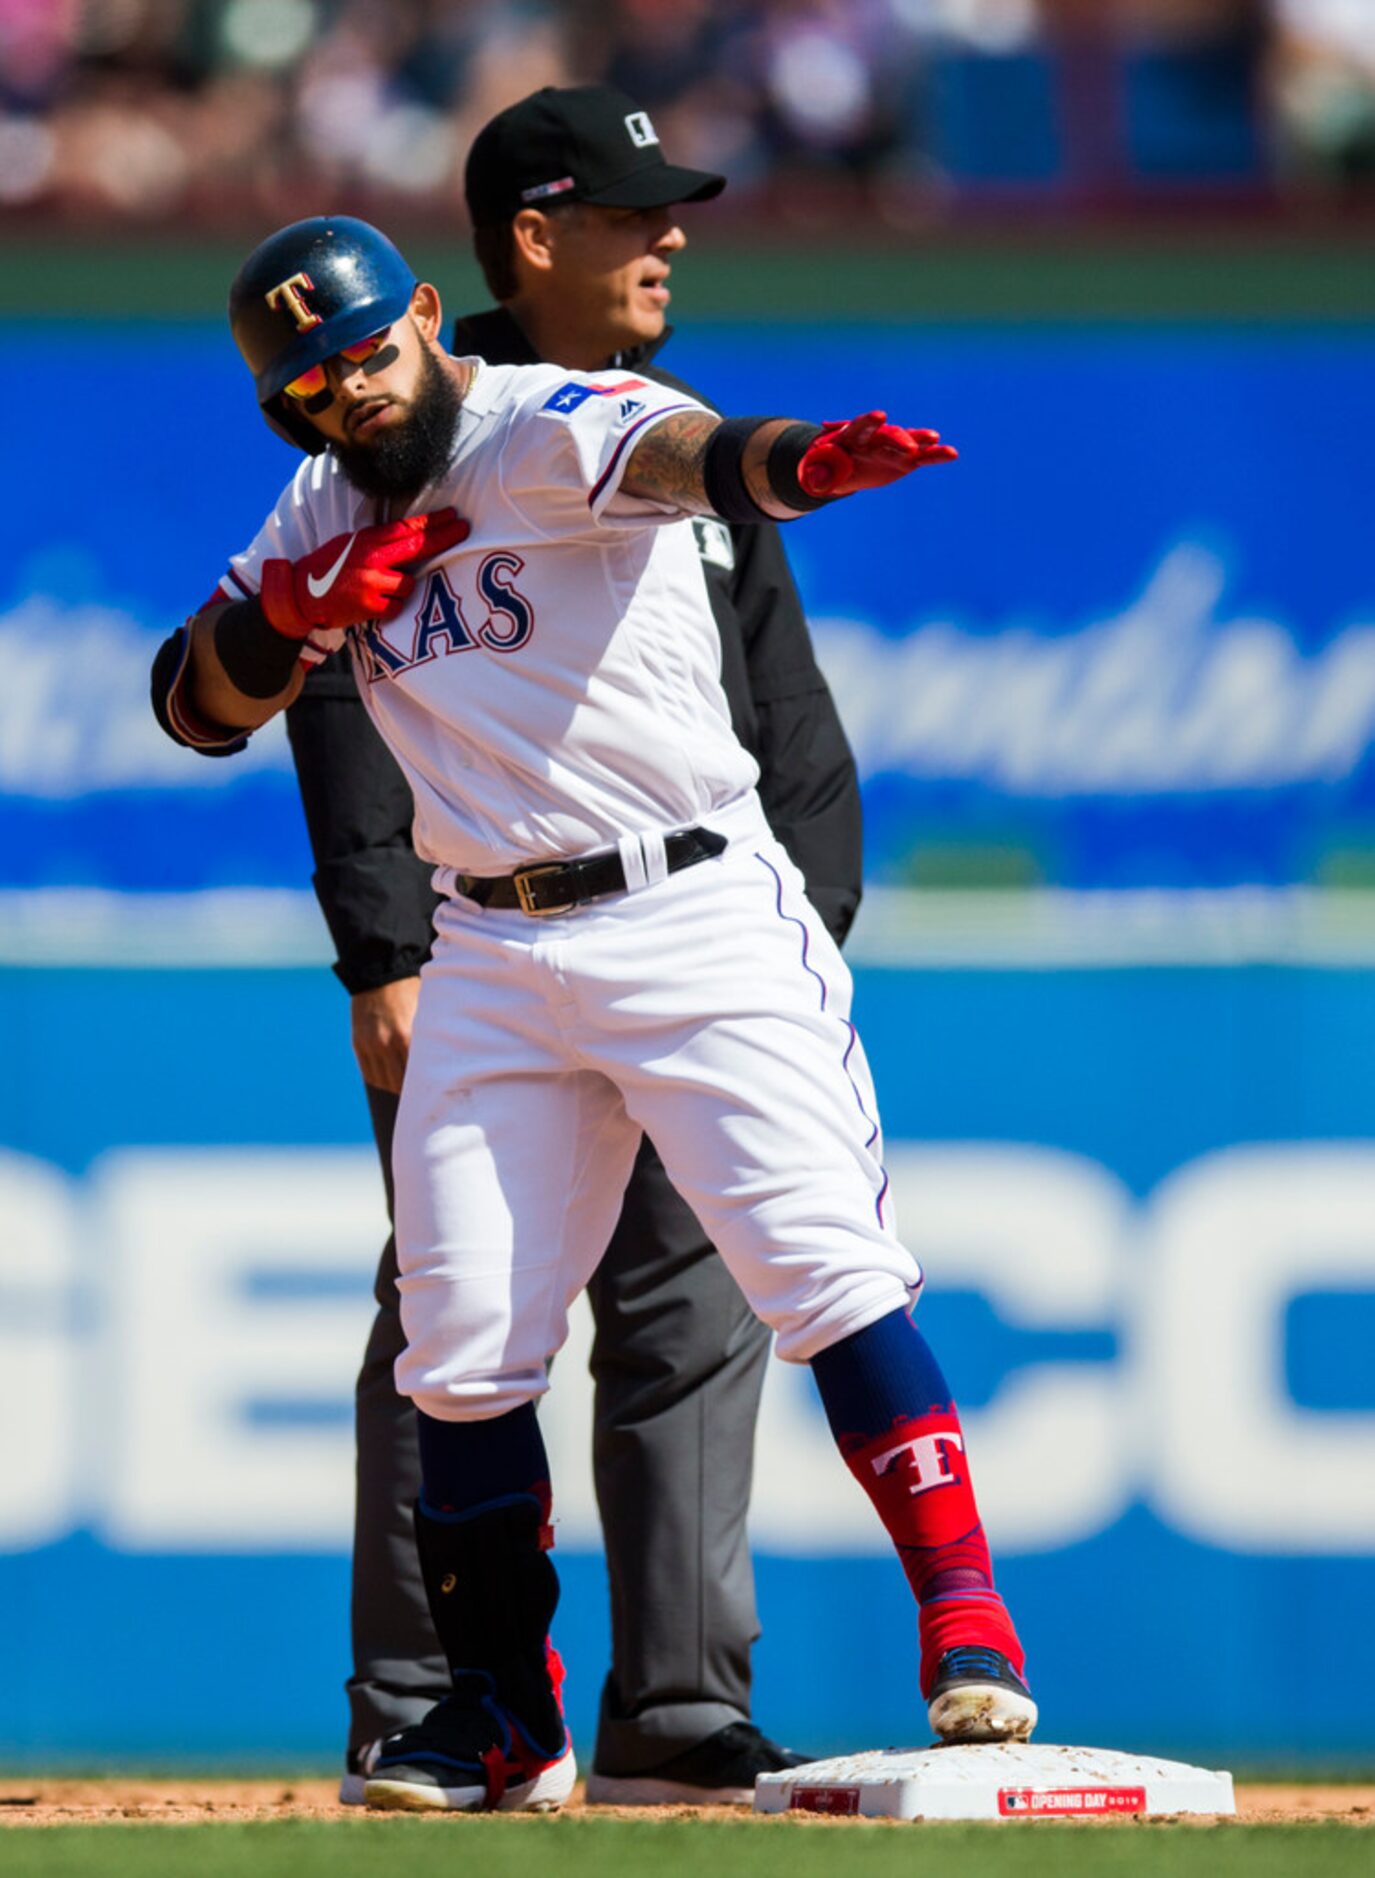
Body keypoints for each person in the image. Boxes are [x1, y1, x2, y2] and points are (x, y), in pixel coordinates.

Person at [151, 190, 1036, 1817]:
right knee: (461, 1341)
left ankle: (967, 1624)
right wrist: (286, 617)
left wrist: (801, 463)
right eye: (306, 385)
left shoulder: (538, 422)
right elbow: (192, 707)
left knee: (821, 1262)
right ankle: (497, 1713)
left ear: (421, 313)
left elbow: (696, 456)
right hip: (488, 944)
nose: (343, 397)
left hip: (689, 902)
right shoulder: (317, 501)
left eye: (358, 356)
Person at [281, 85, 863, 1807]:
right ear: (535, 240)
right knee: (457, 1323)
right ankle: (427, 1704)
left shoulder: (667, 426)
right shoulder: (386, 431)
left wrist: (788, 935)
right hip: (486, 947)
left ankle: (679, 1709)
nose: (672, 233)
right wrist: (381, 944)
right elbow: (321, 692)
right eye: (633, 211)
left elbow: (786, 710)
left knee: (699, 1313)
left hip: (700, 935)